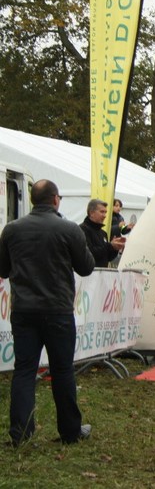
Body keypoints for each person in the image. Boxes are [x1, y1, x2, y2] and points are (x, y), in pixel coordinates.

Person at [0, 180, 95, 446]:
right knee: (63, 370)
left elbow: (3, 270)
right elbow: (86, 267)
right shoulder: (69, 229)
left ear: (32, 199)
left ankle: (20, 434)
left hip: (24, 310)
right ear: (55, 199)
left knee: (24, 370)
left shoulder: (11, 229)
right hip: (57, 310)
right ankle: (70, 432)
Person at [80, 199, 126, 268]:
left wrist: (115, 248)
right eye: (102, 212)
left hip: (102, 275)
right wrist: (110, 245)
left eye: (105, 212)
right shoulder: (82, 229)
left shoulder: (103, 233)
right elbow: (89, 253)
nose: (105, 215)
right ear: (92, 213)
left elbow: (107, 257)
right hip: (88, 275)